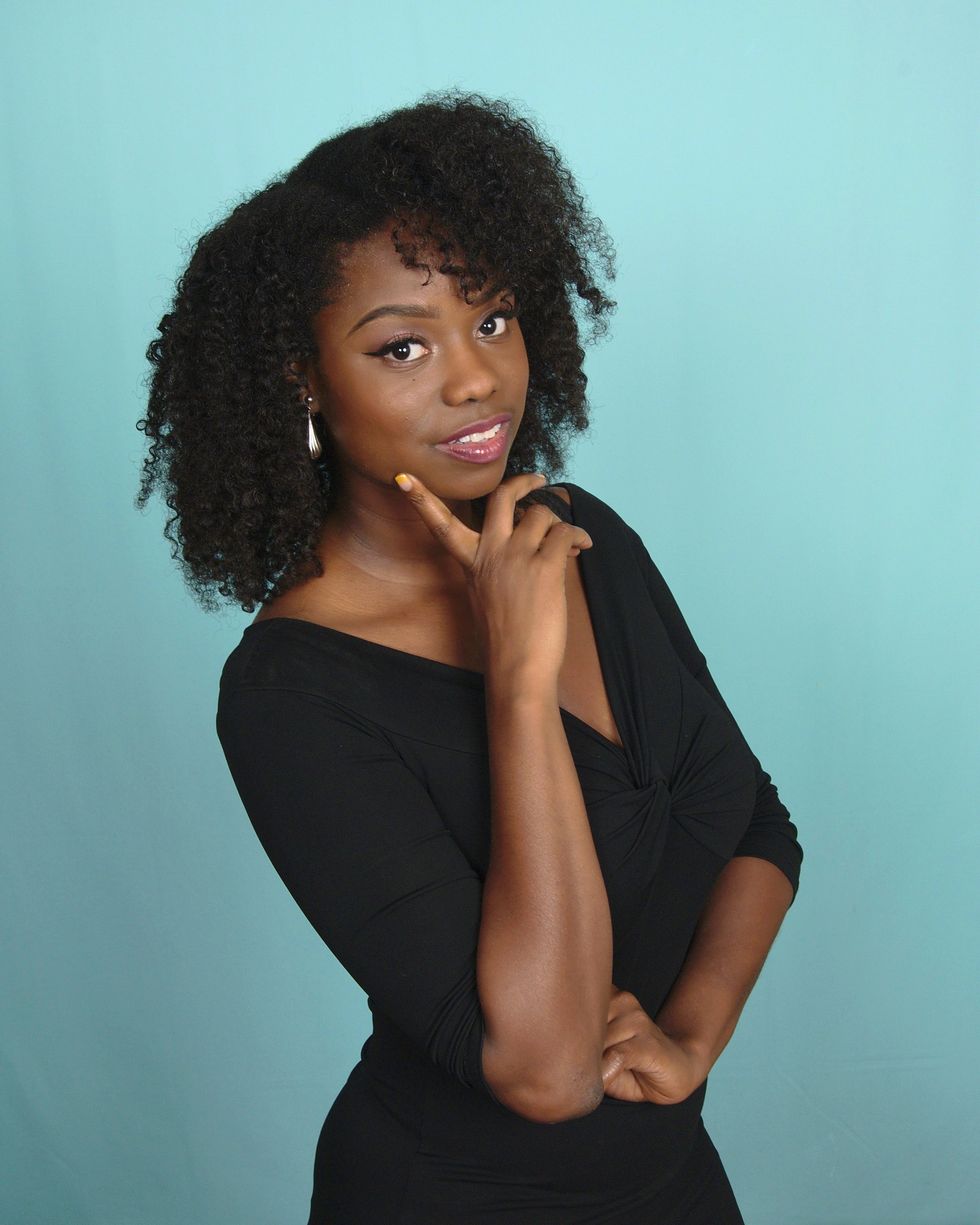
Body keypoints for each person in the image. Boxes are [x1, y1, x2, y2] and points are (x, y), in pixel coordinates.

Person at [137, 91, 802, 1224]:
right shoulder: (289, 692)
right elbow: (544, 1071)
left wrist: (691, 1038)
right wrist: (519, 683)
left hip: (673, 1184)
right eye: (402, 345)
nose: (475, 379)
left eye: (491, 319)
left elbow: (757, 825)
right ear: (303, 379)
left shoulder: (580, 535)